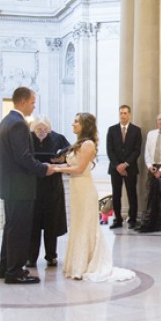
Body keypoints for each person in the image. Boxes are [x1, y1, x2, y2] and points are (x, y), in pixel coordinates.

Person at [55, 112, 136, 282]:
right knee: (77, 225)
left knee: (85, 225)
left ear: (85, 125)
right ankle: (76, 263)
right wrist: (53, 165)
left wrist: (56, 169)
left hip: (84, 189)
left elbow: (79, 168)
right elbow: (71, 164)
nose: (73, 124)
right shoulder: (78, 144)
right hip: (76, 189)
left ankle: (85, 264)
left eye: (76, 121)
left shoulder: (88, 144)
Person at [0, 87, 55, 284]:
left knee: (11, 228)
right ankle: (15, 272)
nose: (34, 106)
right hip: (20, 187)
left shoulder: (6, 122)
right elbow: (23, 157)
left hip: (10, 187)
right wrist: (43, 169)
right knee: (20, 230)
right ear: (22, 102)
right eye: (32, 102)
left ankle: (5, 268)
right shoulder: (19, 124)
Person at [27, 116, 69, 268]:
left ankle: (51, 256)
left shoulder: (58, 138)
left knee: (51, 224)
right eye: (38, 129)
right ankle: (31, 257)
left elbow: (69, 156)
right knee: (34, 225)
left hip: (52, 187)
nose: (41, 132)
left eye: (44, 129)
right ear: (33, 129)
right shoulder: (28, 138)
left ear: (49, 129)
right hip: (33, 187)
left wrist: (60, 160)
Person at [106, 104, 142, 229]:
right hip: (115, 169)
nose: (123, 115)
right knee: (116, 194)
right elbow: (109, 150)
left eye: (125, 113)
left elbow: (137, 151)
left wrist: (125, 164)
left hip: (130, 168)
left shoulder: (136, 130)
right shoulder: (112, 129)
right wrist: (118, 166)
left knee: (132, 194)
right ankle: (117, 219)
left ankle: (132, 219)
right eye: (121, 113)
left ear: (129, 114)